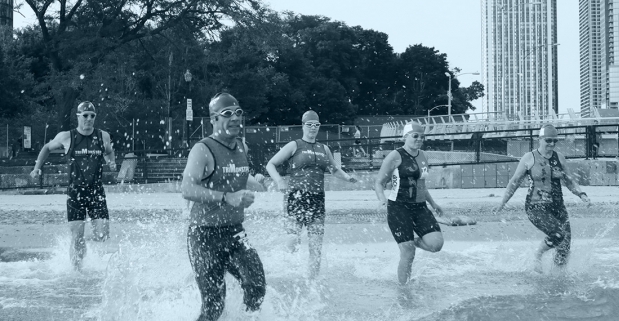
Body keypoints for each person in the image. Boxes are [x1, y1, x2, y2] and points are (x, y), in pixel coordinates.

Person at [180, 93, 266, 321]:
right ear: (214, 119)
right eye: (228, 114)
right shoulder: (202, 149)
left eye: (239, 113)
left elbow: (237, 174)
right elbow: (187, 189)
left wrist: (259, 183)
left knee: (256, 286)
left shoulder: (242, 147)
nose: (236, 118)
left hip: (234, 232)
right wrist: (228, 197)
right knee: (214, 306)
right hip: (203, 236)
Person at [265, 110, 358, 279]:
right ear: (303, 125)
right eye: (309, 125)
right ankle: (280, 270)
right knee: (293, 240)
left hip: (317, 200)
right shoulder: (295, 145)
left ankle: (312, 281)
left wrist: (347, 177)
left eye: (316, 125)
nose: (313, 128)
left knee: (316, 247)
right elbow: (271, 164)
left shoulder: (324, 149)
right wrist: (279, 180)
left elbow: (334, 169)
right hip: (296, 197)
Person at [30, 101, 116, 270]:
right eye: (85, 116)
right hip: (75, 192)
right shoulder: (66, 136)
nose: (89, 119)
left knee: (103, 235)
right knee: (77, 237)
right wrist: (36, 168)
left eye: (92, 116)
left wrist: (111, 161)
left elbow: (109, 151)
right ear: (78, 117)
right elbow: (47, 148)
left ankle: (82, 240)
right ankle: (76, 273)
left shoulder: (102, 136)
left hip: (96, 191)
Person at [494, 125, 590, 272]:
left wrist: (581, 194)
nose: (551, 144)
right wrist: (502, 203)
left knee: (564, 246)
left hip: (558, 207)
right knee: (558, 234)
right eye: (548, 140)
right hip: (536, 207)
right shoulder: (529, 158)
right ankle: (537, 256)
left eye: (555, 141)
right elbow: (514, 182)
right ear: (540, 139)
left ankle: (558, 277)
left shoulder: (560, 158)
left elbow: (570, 181)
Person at [374, 121, 445, 285]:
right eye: (415, 136)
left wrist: (434, 204)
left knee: (436, 245)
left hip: (420, 207)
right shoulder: (395, 156)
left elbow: (421, 184)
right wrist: (382, 200)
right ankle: (404, 290)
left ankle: (409, 241)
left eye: (422, 136)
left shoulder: (423, 156)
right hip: (398, 207)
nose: (419, 139)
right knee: (408, 252)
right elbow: (379, 183)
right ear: (405, 137)